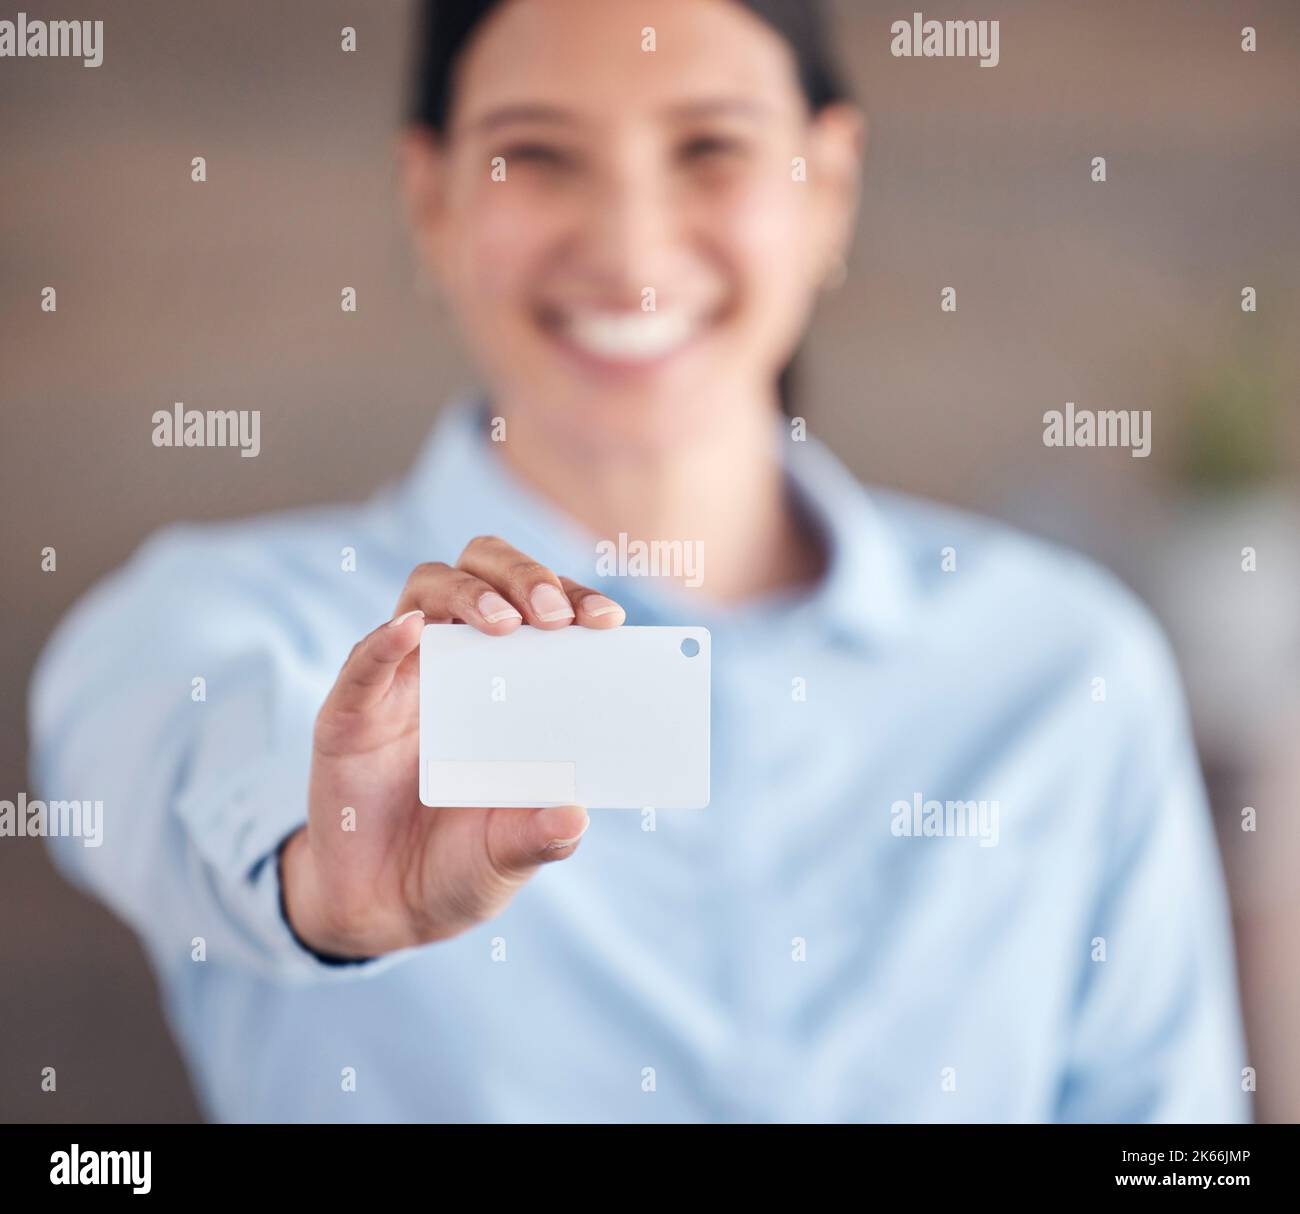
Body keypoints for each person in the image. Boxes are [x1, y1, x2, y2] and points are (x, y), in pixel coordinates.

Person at [30, 0, 1249, 1122]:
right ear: (431, 197)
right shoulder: (216, 621)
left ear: (826, 184)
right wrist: (313, 887)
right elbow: (157, 759)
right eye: (537, 154)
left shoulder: (1061, 662)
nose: (627, 246)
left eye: (710, 146)